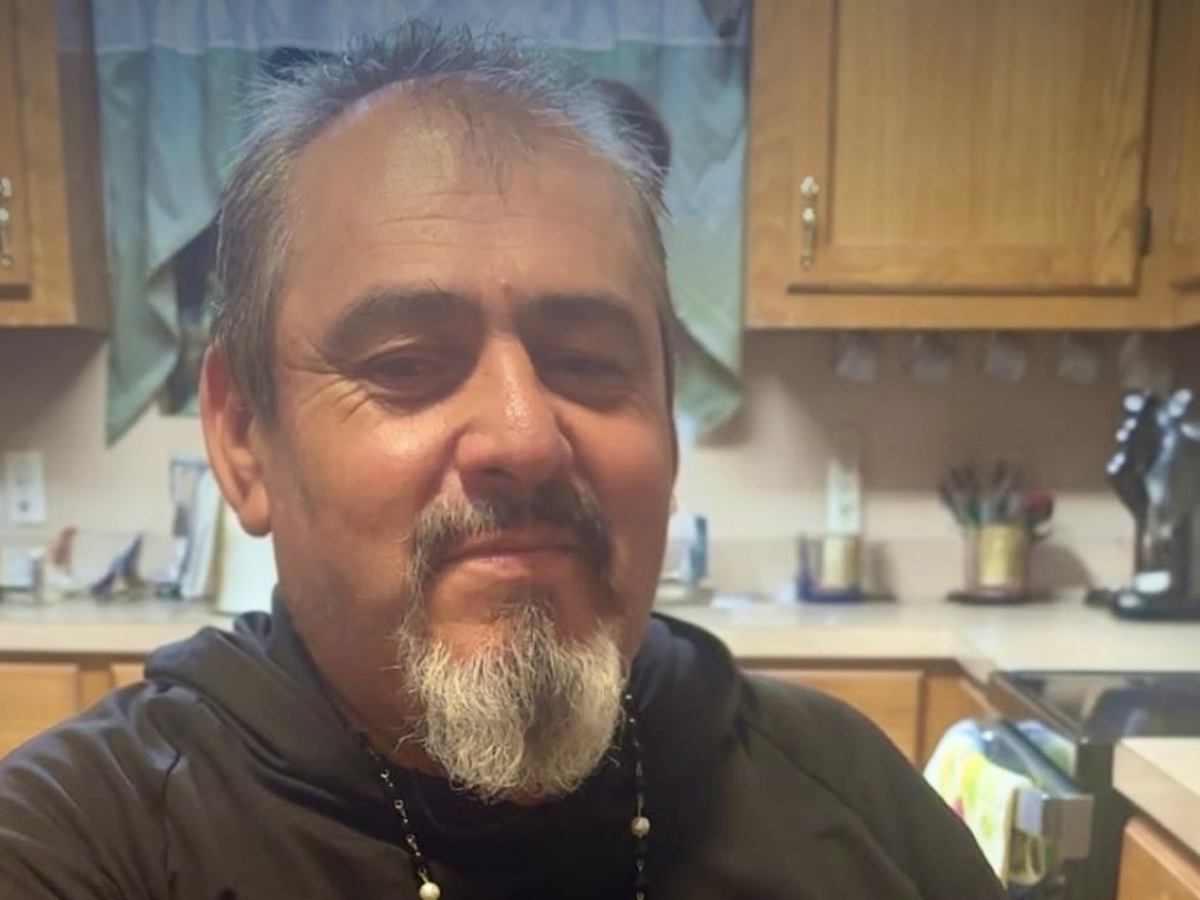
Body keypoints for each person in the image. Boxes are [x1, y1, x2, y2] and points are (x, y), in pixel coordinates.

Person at [0, 23, 1006, 900]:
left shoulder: (850, 796)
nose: (526, 438)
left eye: (589, 361)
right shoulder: (84, 843)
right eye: (406, 365)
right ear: (240, 437)